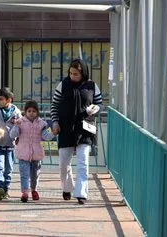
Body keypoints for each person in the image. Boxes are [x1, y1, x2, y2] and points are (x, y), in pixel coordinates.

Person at [50, 58, 103, 205]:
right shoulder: (63, 84)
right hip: (66, 128)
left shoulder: (92, 86)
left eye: (76, 74)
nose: (73, 76)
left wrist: (95, 109)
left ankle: (81, 193)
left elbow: (99, 103)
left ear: (83, 73)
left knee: (83, 161)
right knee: (63, 163)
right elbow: (54, 105)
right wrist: (55, 122)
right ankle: (67, 187)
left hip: (85, 128)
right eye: (71, 73)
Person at [9, 100, 55, 203]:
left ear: (37, 112)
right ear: (25, 112)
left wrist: (53, 133)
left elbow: (45, 136)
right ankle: (25, 192)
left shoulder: (41, 123)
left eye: (34, 111)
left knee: (35, 174)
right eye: (29, 111)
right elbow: (13, 135)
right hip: (23, 154)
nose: (31, 113)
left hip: (36, 154)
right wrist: (16, 125)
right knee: (24, 174)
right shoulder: (20, 122)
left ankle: (34, 190)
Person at [0, 87, 22, 200]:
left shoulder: (17, 113)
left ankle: (6, 189)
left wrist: (19, 137)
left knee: (9, 168)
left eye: (1, 99)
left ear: (9, 100)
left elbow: (21, 127)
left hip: (10, 145)